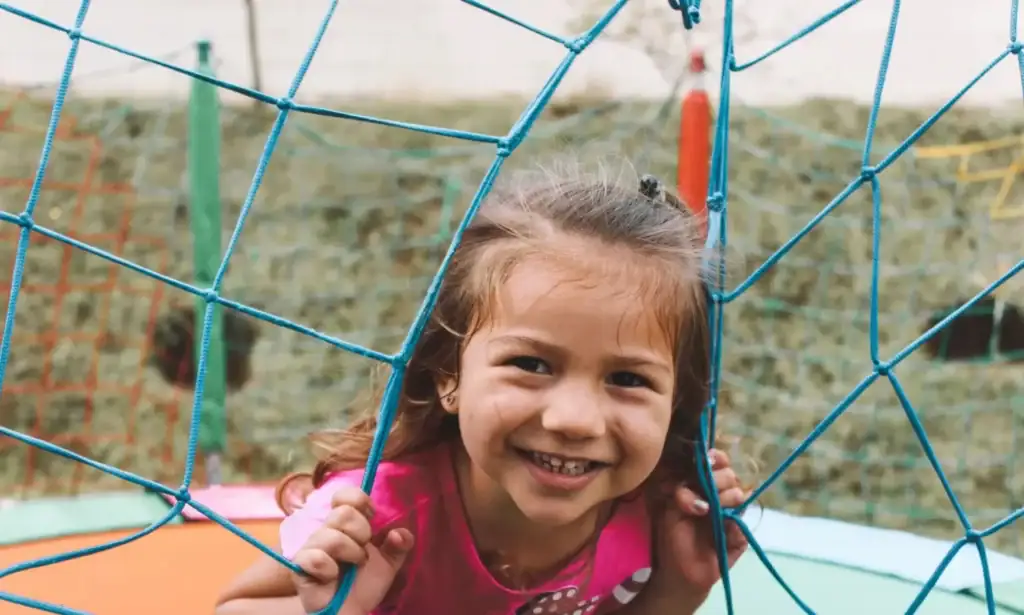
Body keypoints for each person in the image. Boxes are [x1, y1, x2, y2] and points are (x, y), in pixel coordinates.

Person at [214, 159, 750, 615]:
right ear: (450, 373)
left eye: (628, 379)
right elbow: (231, 606)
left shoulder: (658, 512)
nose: (574, 419)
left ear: (677, 399)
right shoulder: (373, 515)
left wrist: (678, 589)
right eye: (532, 364)